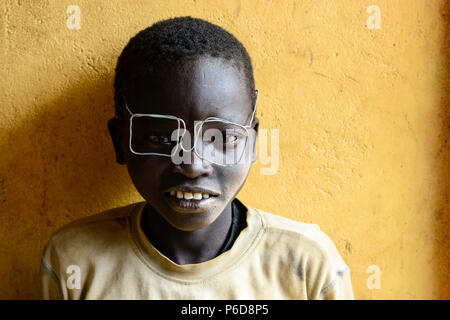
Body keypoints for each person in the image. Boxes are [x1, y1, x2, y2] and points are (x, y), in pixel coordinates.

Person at [38, 16, 354, 299]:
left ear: (253, 142)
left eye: (221, 137)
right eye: (161, 138)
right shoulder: (74, 262)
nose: (192, 165)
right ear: (121, 142)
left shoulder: (308, 264)